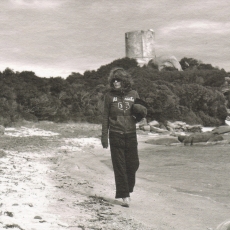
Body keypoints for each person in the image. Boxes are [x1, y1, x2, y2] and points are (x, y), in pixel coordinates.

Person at [101, 67, 147, 207]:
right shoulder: (109, 96)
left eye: (118, 80)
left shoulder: (133, 93)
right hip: (115, 134)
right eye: (114, 80)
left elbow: (143, 112)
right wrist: (104, 136)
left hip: (131, 134)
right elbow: (105, 117)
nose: (115, 82)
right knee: (119, 166)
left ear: (124, 81)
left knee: (133, 164)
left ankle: (128, 189)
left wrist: (139, 113)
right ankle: (124, 195)